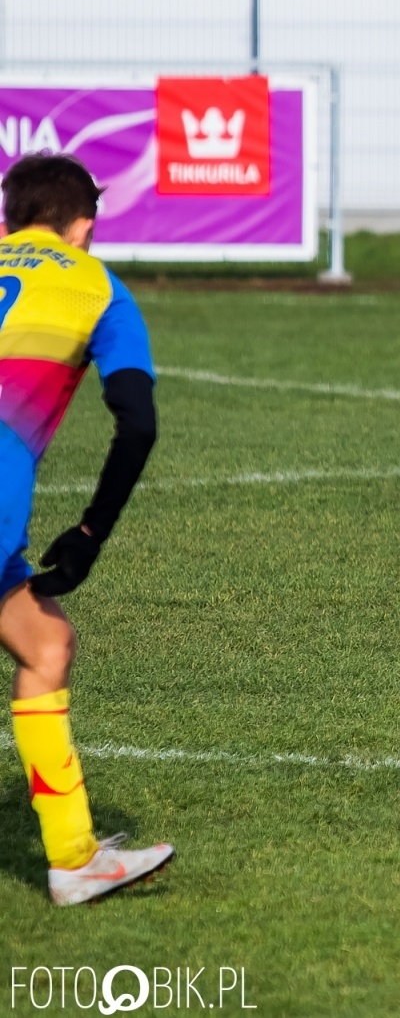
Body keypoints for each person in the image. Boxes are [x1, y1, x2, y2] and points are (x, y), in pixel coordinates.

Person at [0, 154, 172, 905]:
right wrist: (90, 532)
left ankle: (73, 856)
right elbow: (136, 421)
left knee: (46, 643)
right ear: (86, 226)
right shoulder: (96, 283)